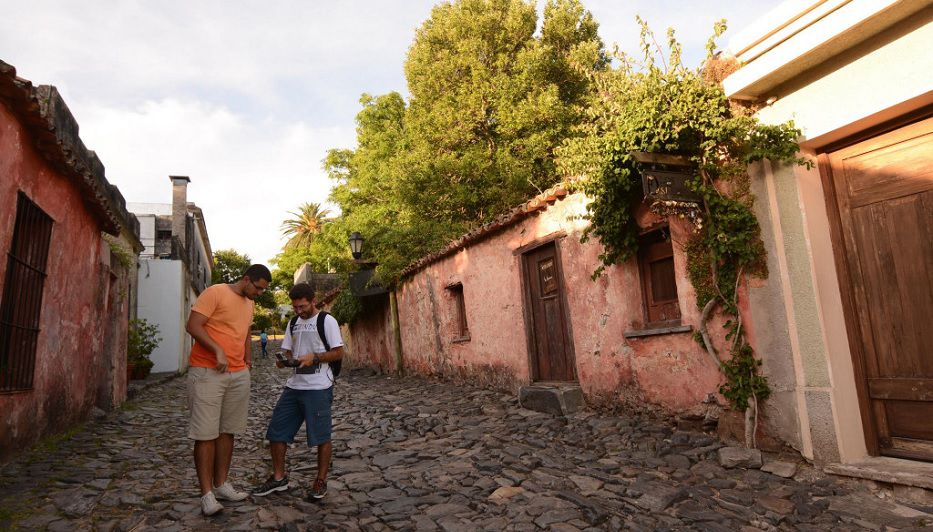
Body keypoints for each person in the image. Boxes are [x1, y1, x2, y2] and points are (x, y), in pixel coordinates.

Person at [185, 264, 271, 516]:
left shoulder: (250, 303)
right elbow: (193, 326)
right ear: (246, 279)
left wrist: (248, 361)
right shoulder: (216, 292)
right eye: (258, 288)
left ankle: (221, 485)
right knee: (206, 434)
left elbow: (244, 333)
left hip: (238, 374)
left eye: (264, 290)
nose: (260, 293)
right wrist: (217, 350)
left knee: (228, 431)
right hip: (207, 371)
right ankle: (206, 495)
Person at [252, 282, 343, 501]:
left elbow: (339, 352)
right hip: (294, 385)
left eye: (302, 307)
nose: (298, 311)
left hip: (319, 386)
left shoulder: (326, 321)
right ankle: (278, 478)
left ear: (313, 301)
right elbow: (288, 350)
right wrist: (283, 361)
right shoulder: (293, 322)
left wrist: (316, 357)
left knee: (321, 436)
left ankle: (320, 481)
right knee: (276, 432)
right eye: (295, 307)